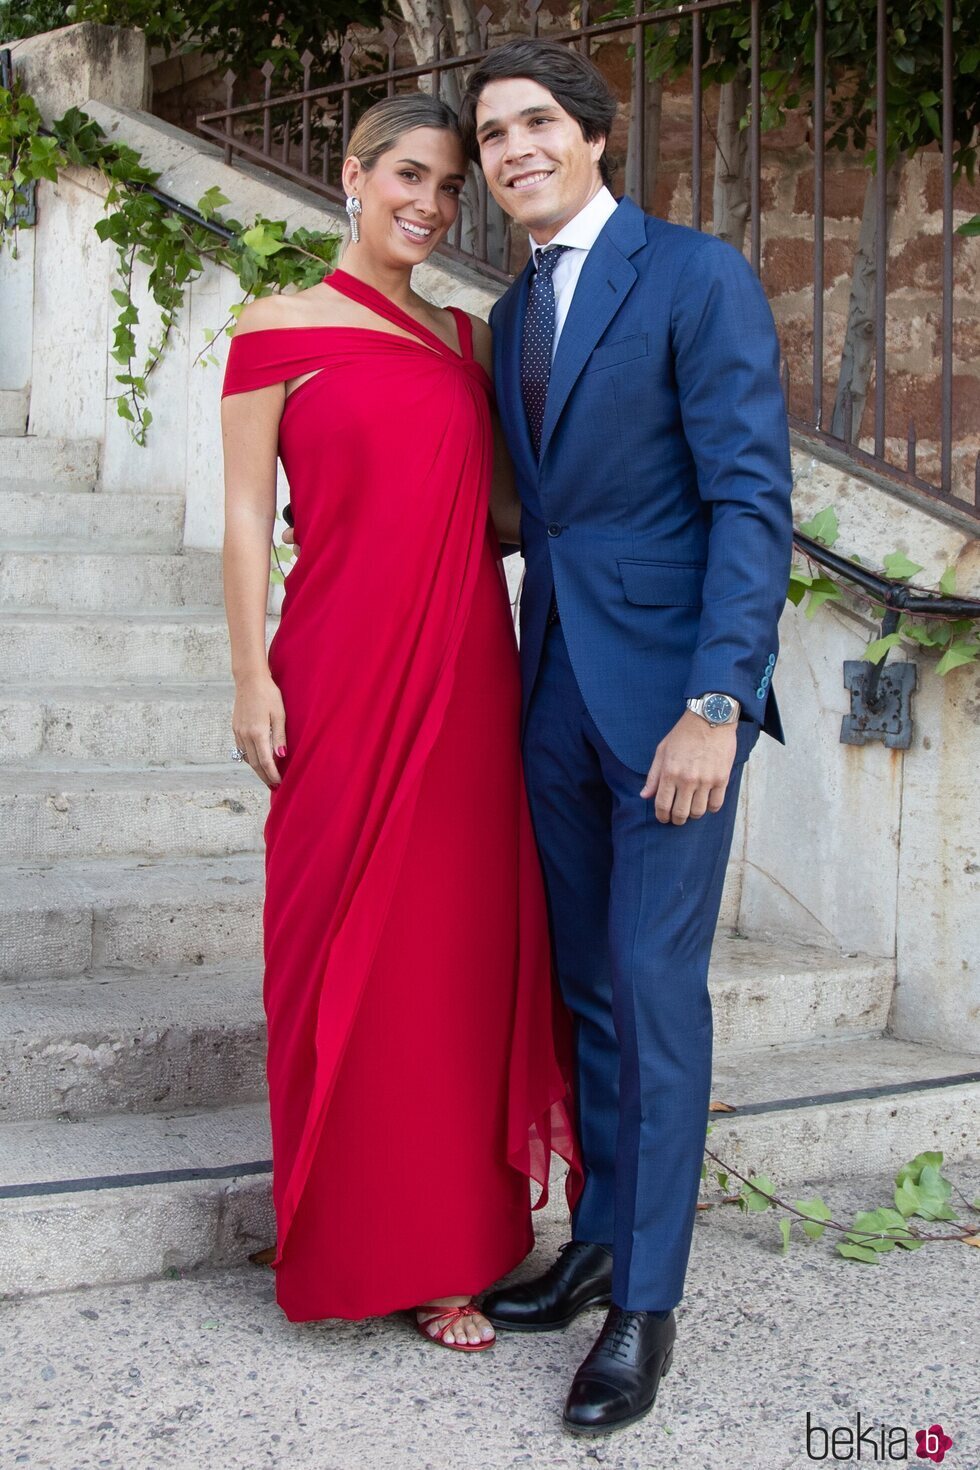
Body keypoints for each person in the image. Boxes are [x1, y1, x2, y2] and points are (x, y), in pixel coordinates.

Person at [455, 40, 794, 1433]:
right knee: (590, 989)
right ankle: (597, 1237)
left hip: (672, 711)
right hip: (554, 697)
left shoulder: (695, 275)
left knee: (654, 994)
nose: (513, 147)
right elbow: (530, 511)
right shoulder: (514, 306)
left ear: (594, 136)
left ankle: (644, 1306)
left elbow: (749, 499)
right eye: (490, 134)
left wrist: (717, 700)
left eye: (537, 121)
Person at [220, 93, 580, 1352]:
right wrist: (249, 676)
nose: (428, 207)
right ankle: (336, 1223)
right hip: (329, 672)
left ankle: (448, 1253)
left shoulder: (470, 341)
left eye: (446, 191)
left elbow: (499, 518)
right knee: (321, 952)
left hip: (464, 677)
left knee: (445, 960)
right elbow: (238, 530)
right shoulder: (272, 330)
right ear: (353, 174)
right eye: (408, 180)